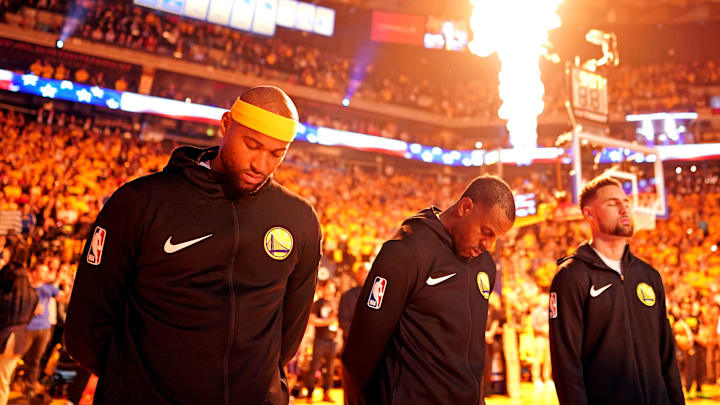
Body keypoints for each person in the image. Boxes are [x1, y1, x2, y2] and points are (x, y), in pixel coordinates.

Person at [65, 86, 323, 405]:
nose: (261, 164)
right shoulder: (140, 202)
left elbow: (288, 337)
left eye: (276, 153)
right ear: (226, 125)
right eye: (252, 145)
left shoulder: (299, 219)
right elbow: (85, 331)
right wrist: (134, 383)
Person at [342, 175, 515, 405]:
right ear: (465, 207)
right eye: (486, 231)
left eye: (496, 237)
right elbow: (363, 341)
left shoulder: (485, 266)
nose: (488, 245)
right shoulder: (406, 251)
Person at [549, 176, 684, 405]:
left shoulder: (649, 276)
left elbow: (667, 354)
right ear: (589, 214)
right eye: (612, 203)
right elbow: (566, 365)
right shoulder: (571, 278)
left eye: (626, 202)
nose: (624, 208)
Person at [0, 239, 38, 405]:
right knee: (3, 381)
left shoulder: (7, 278)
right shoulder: (30, 289)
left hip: (5, 336)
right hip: (20, 339)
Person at [303, 281, 339, 402]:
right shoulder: (318, 303)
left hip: (332, 340)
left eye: (333, 287)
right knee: (315, 367)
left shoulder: (336, 302)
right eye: (329, 287)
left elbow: (338, 320)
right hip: (320, 339)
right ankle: (309, 393)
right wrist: (327, 322)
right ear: (324, 288)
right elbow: (312, 320)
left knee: (330, 369)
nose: (331, 289)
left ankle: (327, 392)